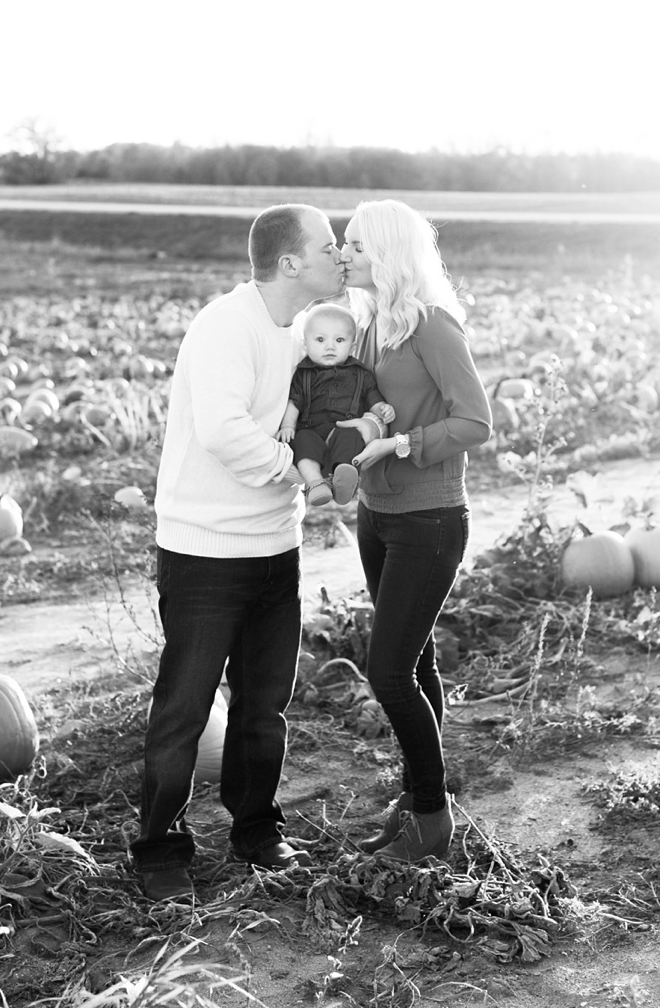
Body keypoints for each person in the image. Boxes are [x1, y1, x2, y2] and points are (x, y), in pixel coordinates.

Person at [130, 203, 345, 901]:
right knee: (185, 707)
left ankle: (256, 828)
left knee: (263, 707)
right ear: (291, 262)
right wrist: (300, 472)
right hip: (204, 554)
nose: (339, 256)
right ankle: (158, 847)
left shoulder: (305, 332)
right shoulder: (227, 325)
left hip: (273, 549)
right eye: (329, 246)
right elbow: (223, 431)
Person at [337, 198, 493, 864]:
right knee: (416, 662)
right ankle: (418, 794)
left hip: (429, 520)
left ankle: (431, 819)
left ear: (389, 254)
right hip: (375, 518)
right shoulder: (372, 326)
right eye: (342, 244)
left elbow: (476, 422)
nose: (342, 254)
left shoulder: (431, 326)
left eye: (354, 246)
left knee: (388, 672)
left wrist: (400, 445)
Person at [277, 302, 395, 507]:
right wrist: (288, 425)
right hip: (311, 429)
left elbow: (371, 396)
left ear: (353, 347)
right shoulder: (303, 373)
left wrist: (381, 408)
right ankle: (315, 484)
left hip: (342, 428)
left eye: (339, 340)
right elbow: (294, 402)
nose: (329, 346)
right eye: (320, 340)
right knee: (302, 440)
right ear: (306, 344)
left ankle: (343, 478)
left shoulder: (360, 373)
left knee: (352, 438)